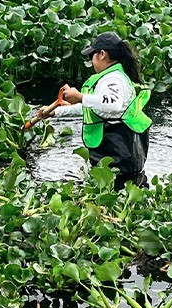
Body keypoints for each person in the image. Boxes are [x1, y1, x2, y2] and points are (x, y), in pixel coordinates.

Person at [38, 31, 152, 189]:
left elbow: (113, 105)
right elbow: (95, 109)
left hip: (119, 152)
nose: (91, 61)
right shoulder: (112, 76)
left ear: (102, 54)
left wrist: (80, 97)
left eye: (92, 56)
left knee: (111, 189)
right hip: (127, 153)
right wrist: (57, 112)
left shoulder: (113, 80)